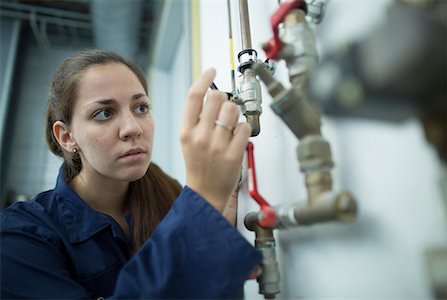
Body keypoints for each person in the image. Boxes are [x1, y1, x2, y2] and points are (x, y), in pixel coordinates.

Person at [0, 49, 261, 299]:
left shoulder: (170, 194)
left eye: (140, 108)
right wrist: (203, 203)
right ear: (67, 137)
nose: (132, 128)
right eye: (104, 113)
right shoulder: (20, 237)